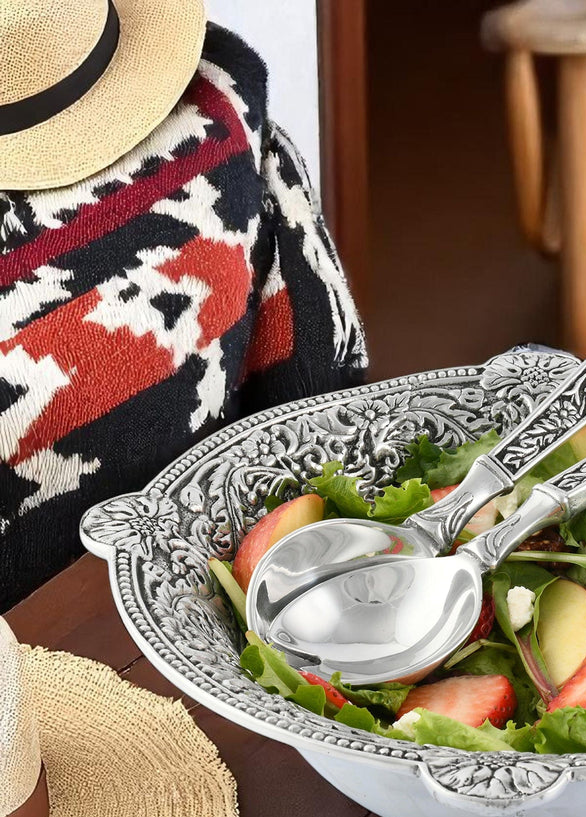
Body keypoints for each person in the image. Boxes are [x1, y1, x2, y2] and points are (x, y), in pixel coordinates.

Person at [0, 1, 367, 609]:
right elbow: (315, 376)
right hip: (201, 586)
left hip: (203, 590)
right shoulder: (225, 101)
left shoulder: (223, 94)